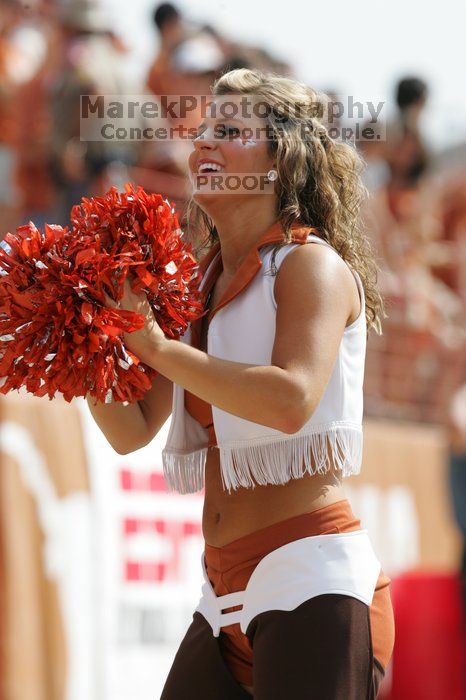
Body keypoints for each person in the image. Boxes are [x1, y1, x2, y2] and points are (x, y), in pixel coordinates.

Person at [88, 68, 395, 698]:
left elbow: (289, 400)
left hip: (312, 578)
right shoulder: (194, 287)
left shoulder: (310, 265)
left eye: (228, 130)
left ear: (281, 160)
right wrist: (84, 346)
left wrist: (152, 345)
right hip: (221, 590)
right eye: (202, 130)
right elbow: (130, 431)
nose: (202, 144)